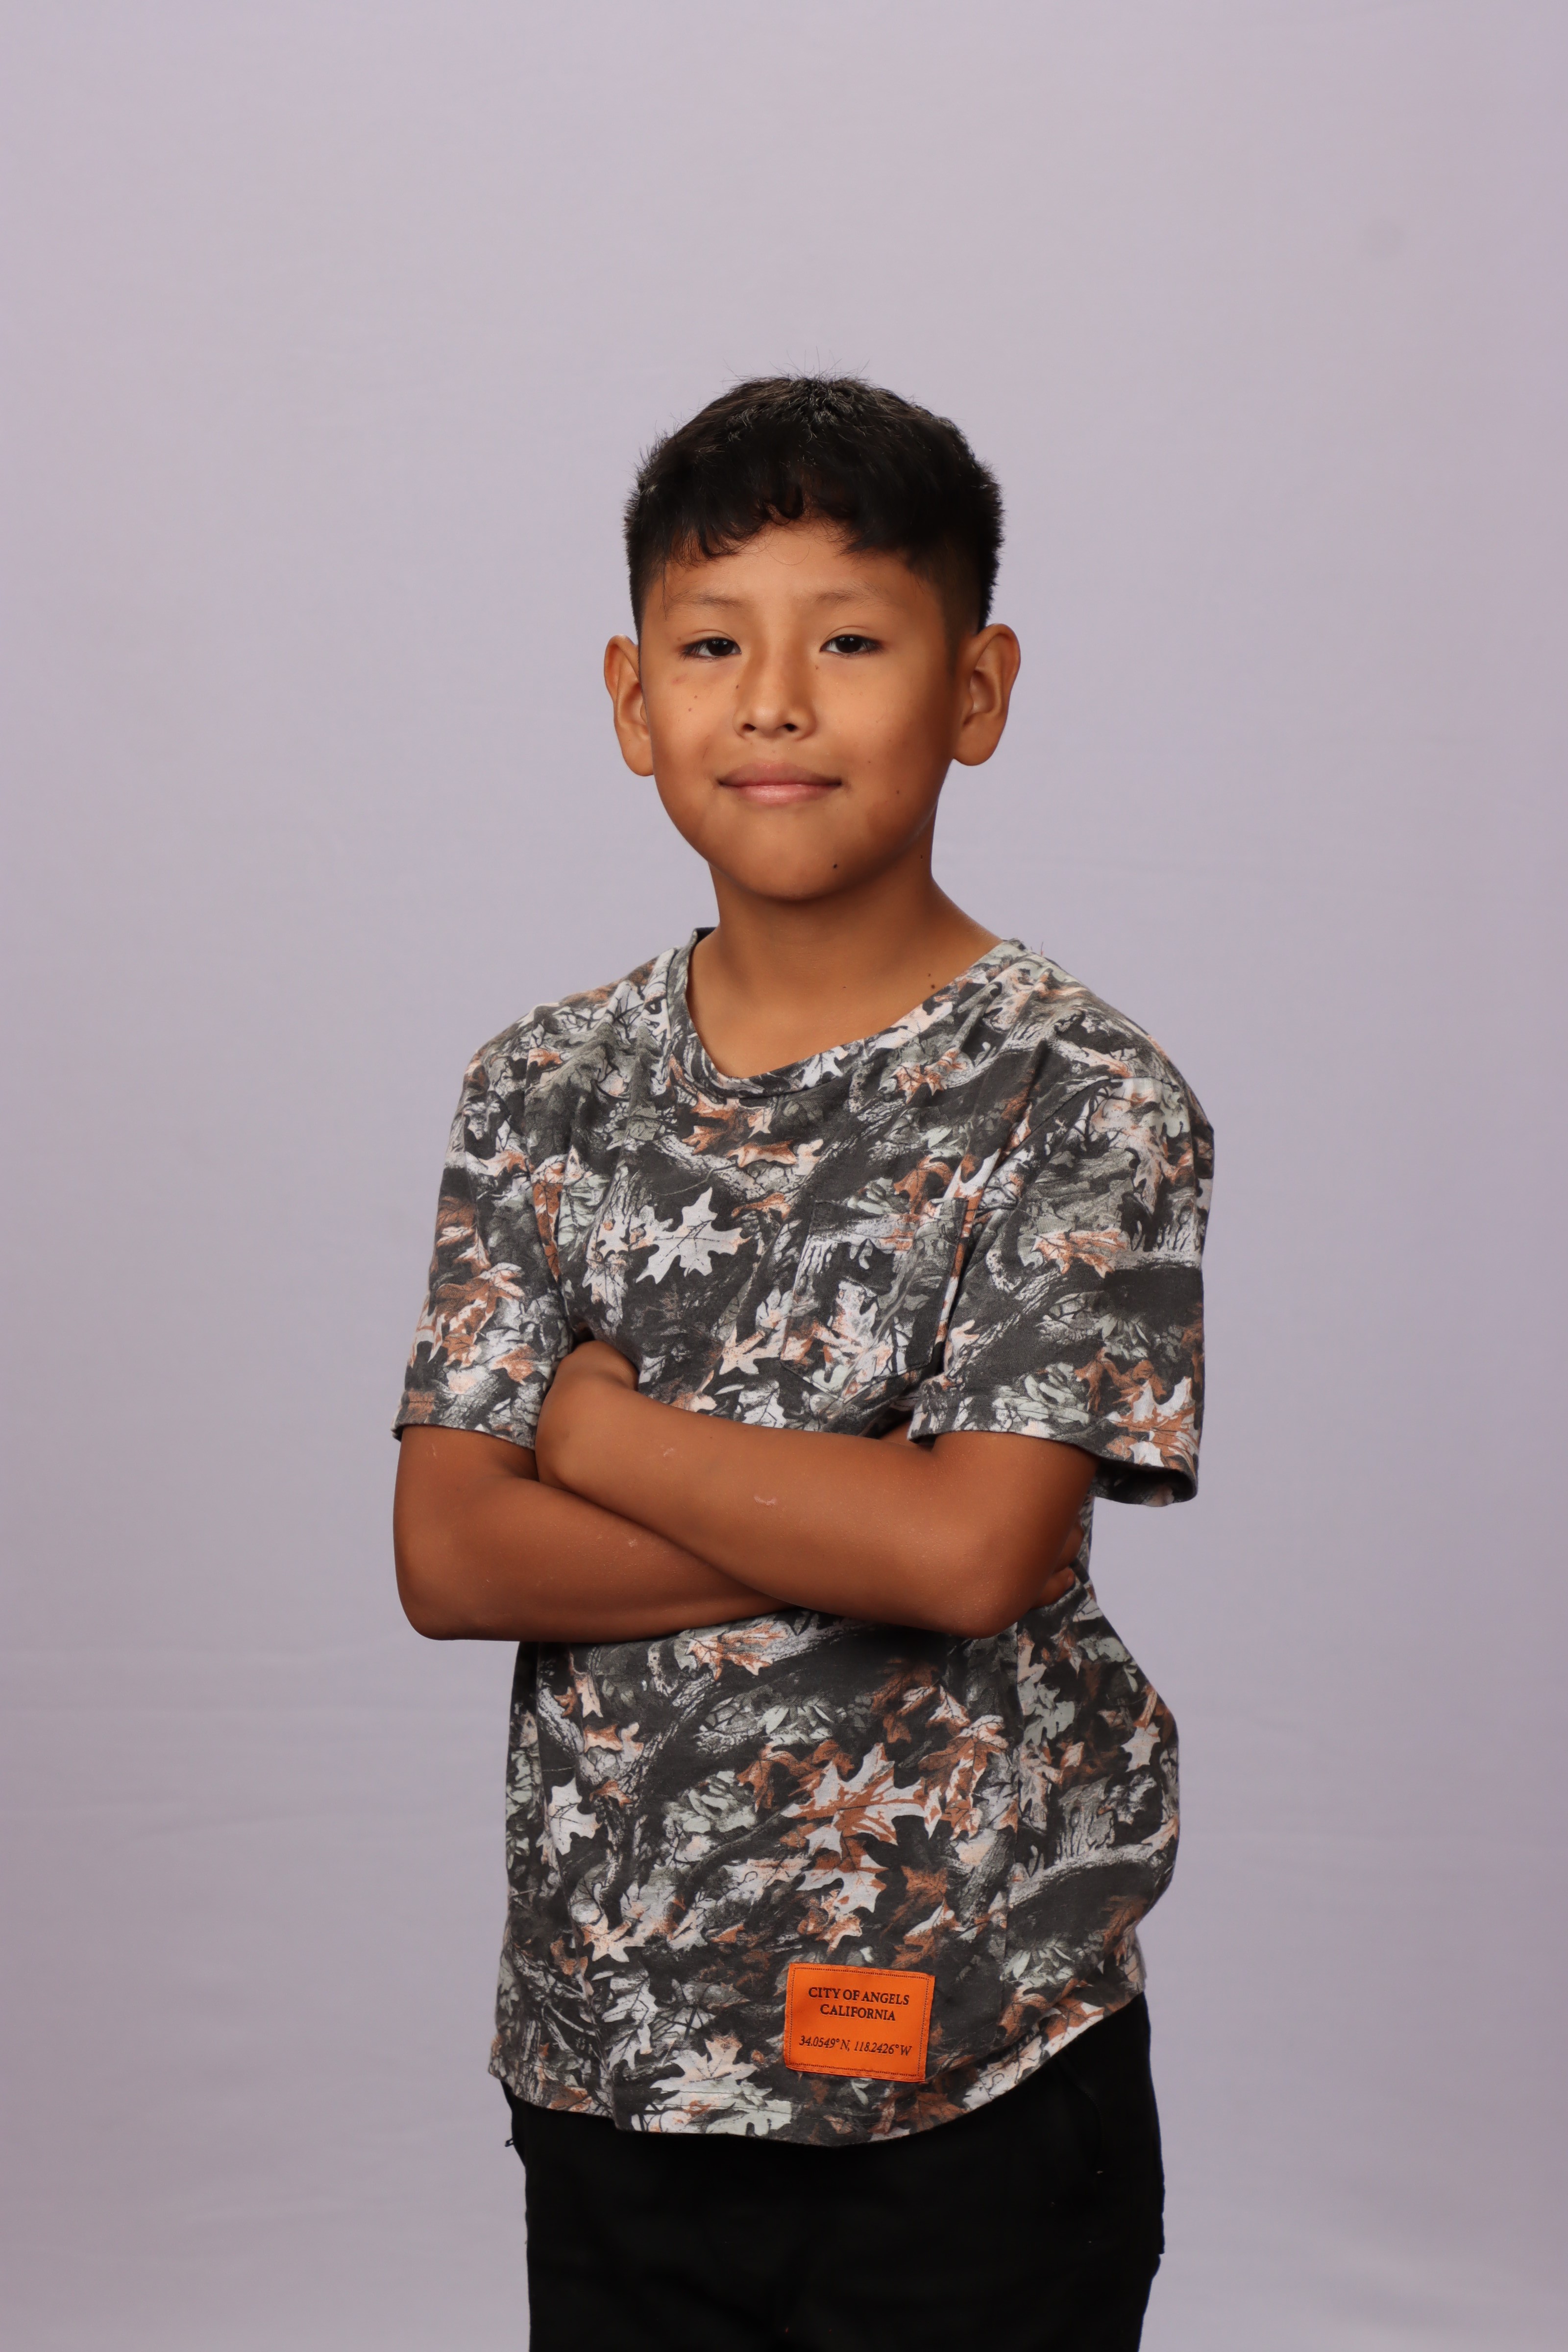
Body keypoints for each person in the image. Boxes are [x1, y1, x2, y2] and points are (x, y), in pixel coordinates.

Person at [392, 375, 1212, 2351]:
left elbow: (969, 1560)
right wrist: (862, 1502)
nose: (771, 703)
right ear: (631, 699)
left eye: (849, 641)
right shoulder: (542, 1088)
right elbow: (452, 1554)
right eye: (710, 647)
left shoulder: (1081, 1097)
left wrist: (592, 1431)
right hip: (610, 2054)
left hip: (961, 2069)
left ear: (974, 691)